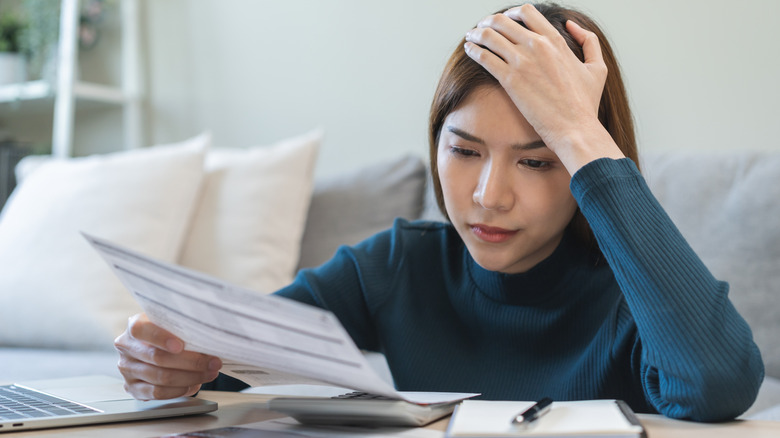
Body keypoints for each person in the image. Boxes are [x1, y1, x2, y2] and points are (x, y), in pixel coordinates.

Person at [114, 3, 764, 422]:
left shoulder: (641, 297)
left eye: (539, 160)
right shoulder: (400, 264)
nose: (488, 195)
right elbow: (232, 356)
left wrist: (577, 130)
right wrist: (170, 358)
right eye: (464, 150)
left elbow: (719, 383)